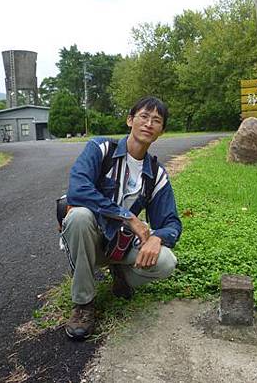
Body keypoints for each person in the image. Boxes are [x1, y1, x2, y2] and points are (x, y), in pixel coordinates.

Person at [60, 96, 182, 340]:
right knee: (80, 216)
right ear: (130, 120)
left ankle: (121, 274)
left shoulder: (155, 174)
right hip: (89, 239)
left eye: (156, 120)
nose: (149, 123)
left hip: (120, 244)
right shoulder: (101, 149)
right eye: (144, 117)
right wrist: (127, 217)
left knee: (167, 261)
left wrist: (157, 239)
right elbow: (78, 190)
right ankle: (83, 304)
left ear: (161, 131)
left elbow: (172, 223)